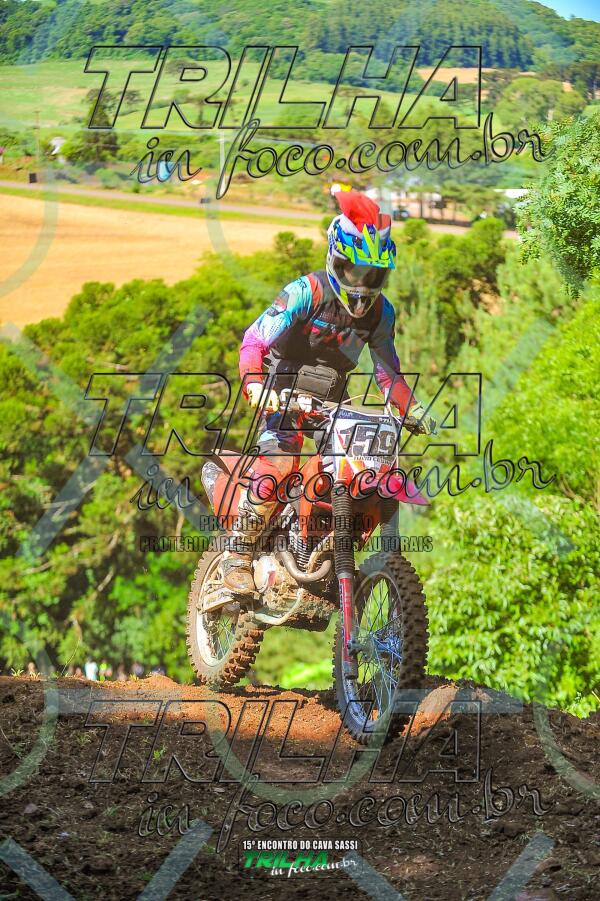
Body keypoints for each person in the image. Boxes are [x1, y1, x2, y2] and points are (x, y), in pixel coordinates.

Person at [219, 187, 436, 594]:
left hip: (332, 403)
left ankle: (334, 552)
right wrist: (254, 383)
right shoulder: (306, 291)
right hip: (281, 390)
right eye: (354, 271)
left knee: (370, 471)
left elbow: (388, 374)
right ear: (335, 260)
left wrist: (413, 409)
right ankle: (238, 553)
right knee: (280, 466)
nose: (362, 284)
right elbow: (254, 339)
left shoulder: (382, 313)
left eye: (373, 274)